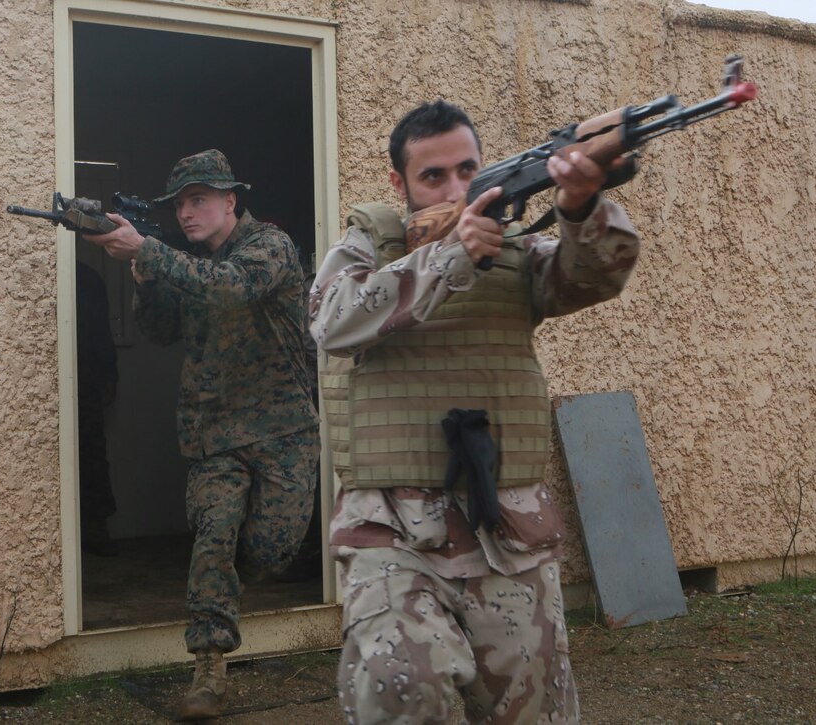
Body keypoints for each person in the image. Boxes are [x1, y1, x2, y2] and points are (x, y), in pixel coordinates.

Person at [309, 100, 641, 724]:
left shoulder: (519, 250)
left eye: (468, 170)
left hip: (507, 530)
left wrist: (579, 205)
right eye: (434, 176)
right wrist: (449, 257)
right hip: (392, 531)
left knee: (534, 710)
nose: (457, 188)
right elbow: (331, 321)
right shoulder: (368, 244)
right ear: (399, 184)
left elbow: (594, 278)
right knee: (398, 685)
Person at [83, 149, 320, 721]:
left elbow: (230, 287)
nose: (187, 213)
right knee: (213, 534)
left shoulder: (270, 247)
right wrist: (143, 274)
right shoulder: (181, 262)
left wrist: (152, 252)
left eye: (199, 200)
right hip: (213, 433)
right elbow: (161, 330)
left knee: (269, 551)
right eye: (181, 205)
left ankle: (238, 580)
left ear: (230, 201)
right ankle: (209, 670)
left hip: (283, 430)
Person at [75, 261, 121, 557]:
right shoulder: (85, 276)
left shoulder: (88, 279)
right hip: (60, 375)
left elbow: (102, 334)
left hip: (87, 376)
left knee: (91, 453)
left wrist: (109, 375)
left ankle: (95, 528)